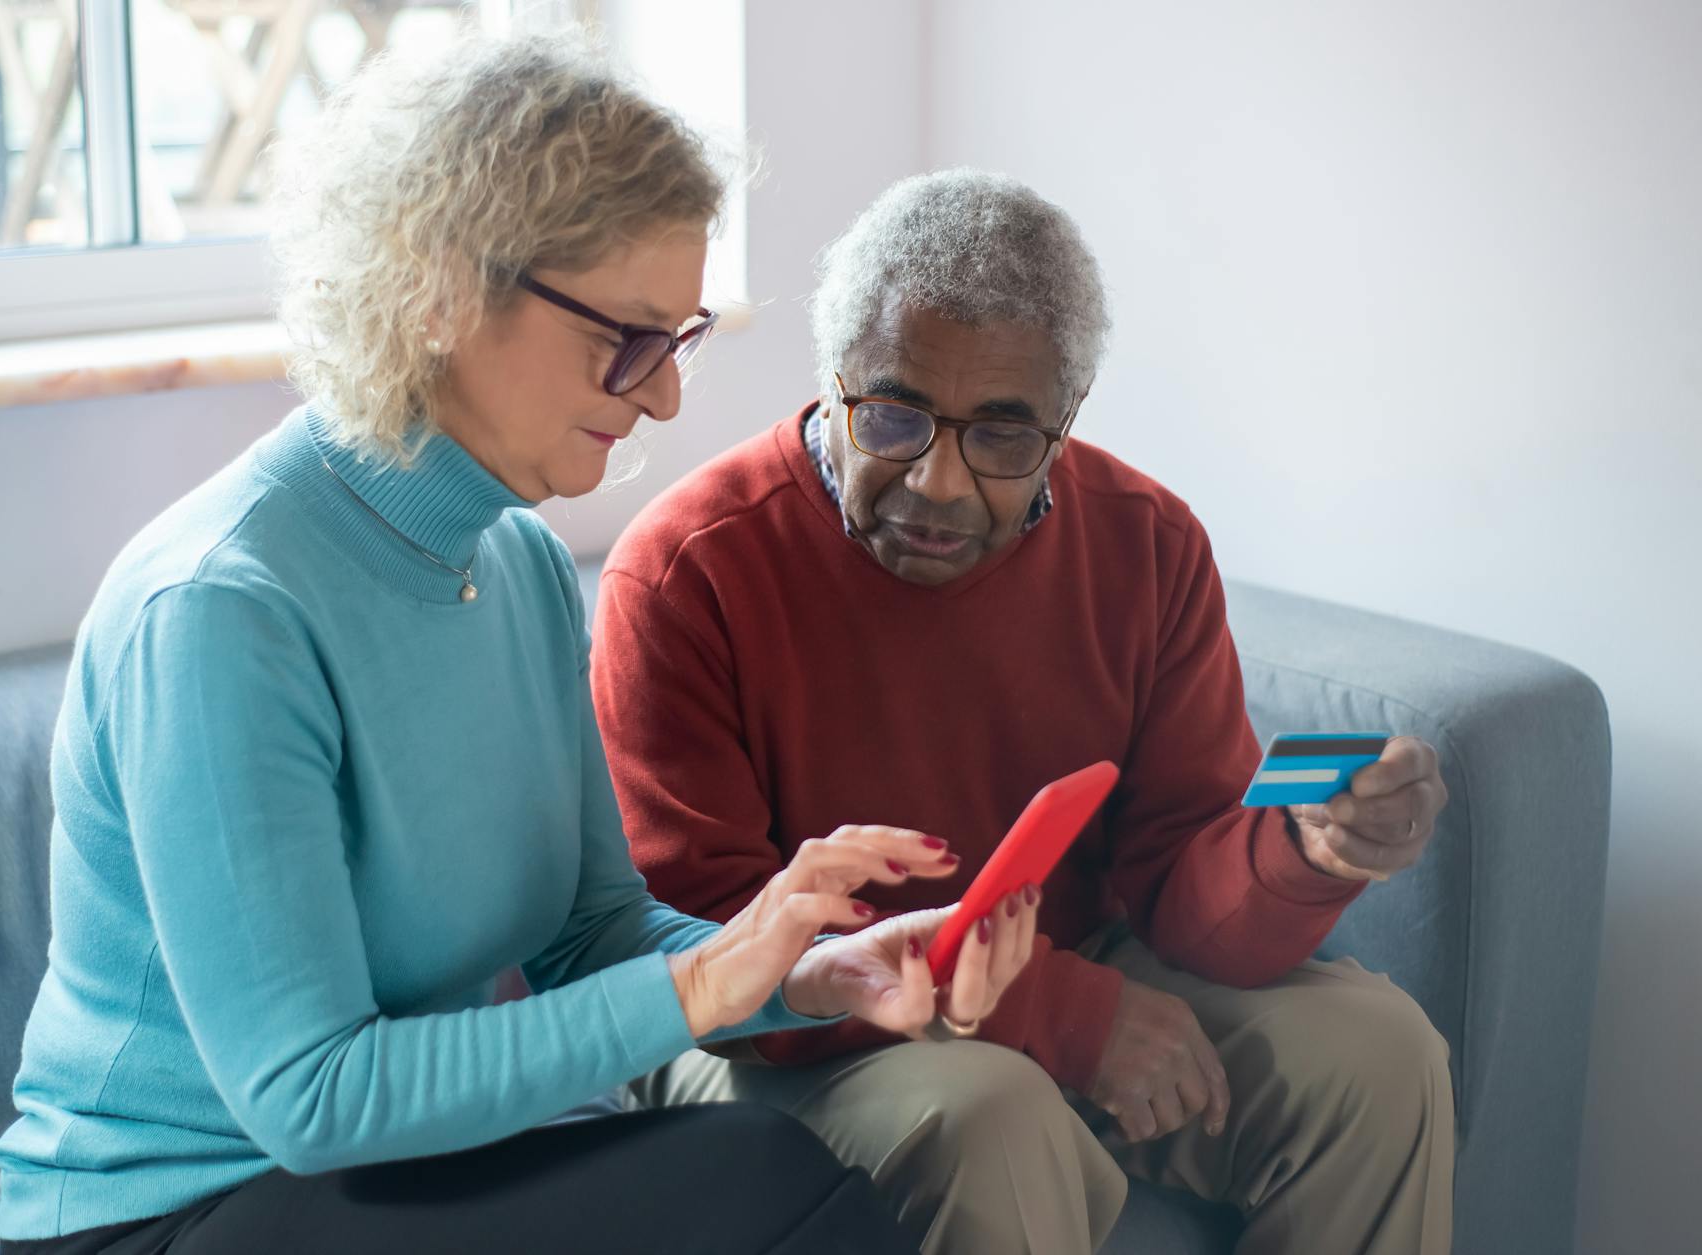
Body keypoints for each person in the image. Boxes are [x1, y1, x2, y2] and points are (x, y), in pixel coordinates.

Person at [0, 44, 1041, 1255]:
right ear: (437, 290)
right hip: (167, 1212)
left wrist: (807, 967)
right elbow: (309, 1099)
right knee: (768, 1184)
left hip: (388, 1175)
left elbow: (589, 934)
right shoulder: (222, 612)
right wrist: (710, 983)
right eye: (626, 339)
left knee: (778, 1172)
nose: (660, 401)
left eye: (677, 339)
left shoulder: (524, 566)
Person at [594, 169, 1455, 1255]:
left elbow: (1178, 881)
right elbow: (715, 945)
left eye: (1002, 436)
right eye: (896, 417)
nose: (940, 484)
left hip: (1062, 952)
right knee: (990, 1113)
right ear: (833, 381)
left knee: (1379, 1054)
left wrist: (1307, 853)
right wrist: (1057, 1015)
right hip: (764, 1025)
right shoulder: (685, 573)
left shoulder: (1147, 544)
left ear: (1065, 420)